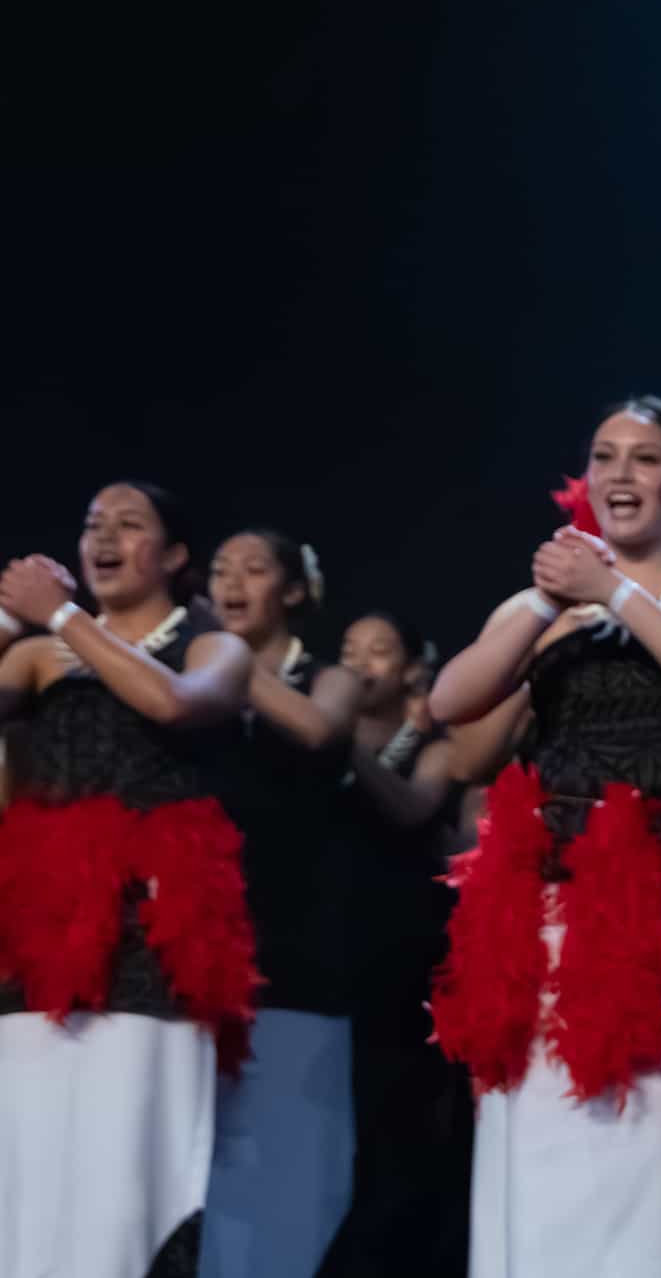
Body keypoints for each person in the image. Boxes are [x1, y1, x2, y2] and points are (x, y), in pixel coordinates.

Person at [426, 395, 661, 1277]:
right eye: (604, 456)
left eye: (644, 457)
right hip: (557, 909)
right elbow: (452, 709)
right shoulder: (544, 607)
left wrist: (616, 595)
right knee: (551, 1131)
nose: (620, 474)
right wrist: (545, 604)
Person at [0, 482, 258, 1277]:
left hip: (153, 936)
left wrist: (62, 615)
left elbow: (172, 704)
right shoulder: (34, 656)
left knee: (126, 1183)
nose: (104, 537)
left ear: (174, 554)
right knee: (29, 1175)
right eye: (92, 525)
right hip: (42, 934)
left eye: (129, 524)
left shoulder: (214, 649)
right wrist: (10, 619)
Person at [203, 529, 365, 1277]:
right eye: (220, 571)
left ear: (294, 590)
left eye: (253, 570)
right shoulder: (191, 677)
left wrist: (221, 659)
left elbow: (320, 731)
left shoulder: (327, 678)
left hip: (297, 954)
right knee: (203, 1181)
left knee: (293, 1177)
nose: (231, 584)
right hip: (196, 958)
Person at [323, 610, 470, 1276]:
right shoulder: (312, 736)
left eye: (379, 650)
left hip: (405, 953)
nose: (359, 662)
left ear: (413, 671)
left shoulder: (432, 748)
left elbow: (412, 807)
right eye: (349, 649)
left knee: (400, 1121)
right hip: (334, 944)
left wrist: (336, 739)